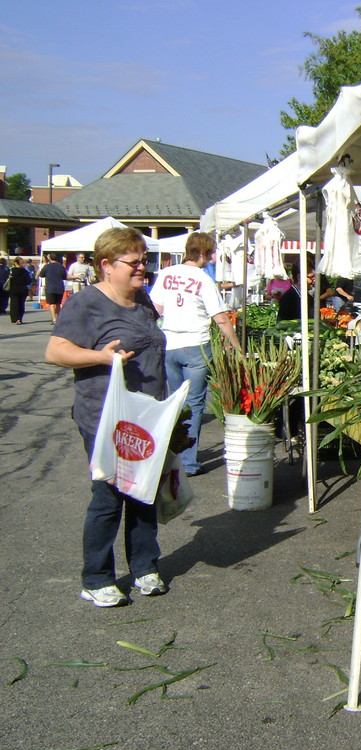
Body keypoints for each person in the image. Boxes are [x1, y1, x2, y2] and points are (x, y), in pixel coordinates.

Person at [44, 227, 169, 607]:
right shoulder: (86, 303)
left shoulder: (141, 299)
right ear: (105, 265)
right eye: (134, 262)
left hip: (146, 414)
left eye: (143, 260)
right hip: (105, 417)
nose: (142, 268)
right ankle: (96, 577)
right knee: (109, 495)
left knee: (144, 492)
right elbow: (56, 351)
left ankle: (145, 567)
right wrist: (102, 357)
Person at [149, 232, 241, 477]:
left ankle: (172, 455)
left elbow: (154, 310)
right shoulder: (202, 279)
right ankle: (188, 462)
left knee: (175, 402)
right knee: (194, 403)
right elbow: (220, 317)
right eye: (210, 253)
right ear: (201, 253)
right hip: (196, 345)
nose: (211, 258)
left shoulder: (166, 275)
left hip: (169, 344)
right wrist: (235, 344)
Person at [38, 252, 68, 324]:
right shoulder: (61, 267)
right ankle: (58, 319)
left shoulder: (47, 266)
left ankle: (54, 319)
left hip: (50, 287)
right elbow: (64, 276)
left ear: (50, 258)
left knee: (51, 304)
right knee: (58, 303)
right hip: (59, 287)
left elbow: (41, 275)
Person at [7, 256, 33, 324]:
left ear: (15, 263)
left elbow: (9, 280)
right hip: (23, 289)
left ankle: (15, 319)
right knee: (21, 304)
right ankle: (20, 318)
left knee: (14, 304)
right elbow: (29, 281)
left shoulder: (12, 271)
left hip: (14, 289)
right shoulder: (25, 271)